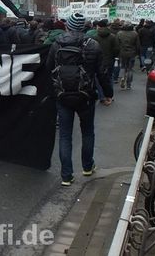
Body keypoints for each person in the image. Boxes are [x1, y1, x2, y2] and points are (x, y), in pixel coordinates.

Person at [46, 12, 113, 186]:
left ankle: (66, 176)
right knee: (88, 132)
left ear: (68, 25)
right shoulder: (93, 45)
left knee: (65, 136)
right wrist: (108, 93)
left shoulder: (56, 44)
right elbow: (102, 73)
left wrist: (52, 91)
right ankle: (87, 167)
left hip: (62, 95)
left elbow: (48, 69)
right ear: (84, 27)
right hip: (86, 95)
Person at [92, 19, 119, 105]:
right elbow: (116, 49)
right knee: (109, 77)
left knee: (98, 79)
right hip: (109, 60)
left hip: (98, 61)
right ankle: (110, 96)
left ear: (98, 26)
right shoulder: (112, 36)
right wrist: (113, 56)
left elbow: (92, 50)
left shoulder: (95, 37)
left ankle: (102, 96)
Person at [117, 21, 141, 90]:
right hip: (132, 53)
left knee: (122, 67)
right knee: (130, 69)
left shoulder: (119, 33)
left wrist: (118, 53)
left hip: (122, 53)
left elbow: (117, 44)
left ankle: (122, 78)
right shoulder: (135, 33)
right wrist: (137, 53)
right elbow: (138, 45)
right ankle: (128, 84)